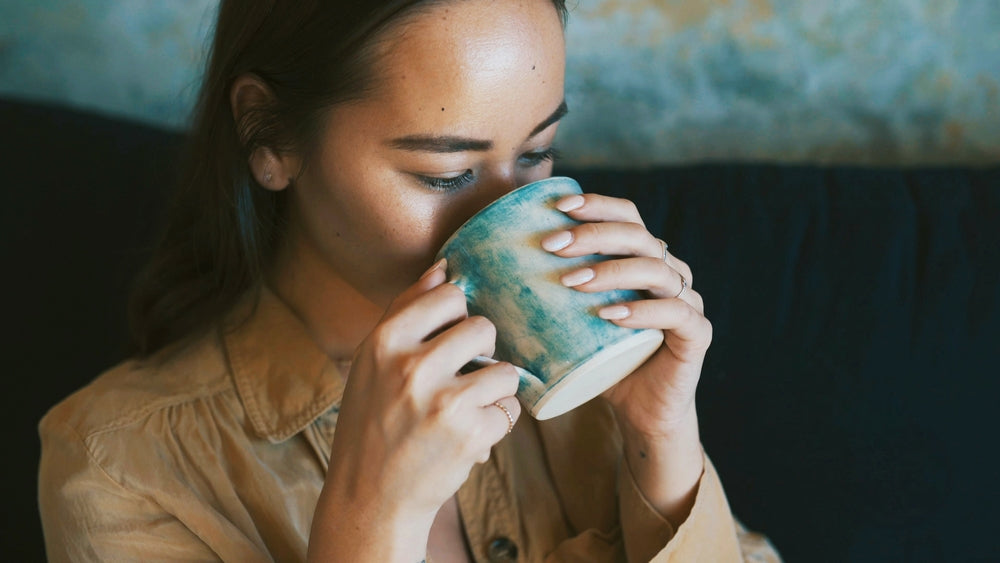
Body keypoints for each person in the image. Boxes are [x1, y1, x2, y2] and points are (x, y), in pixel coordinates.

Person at [38, 0, 781, 561]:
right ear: (268, 136)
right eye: (444, 172)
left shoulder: (591, 391)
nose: (506, 213)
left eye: (537, 154)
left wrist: (663, 440)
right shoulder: (121, 466)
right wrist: (370, 523)